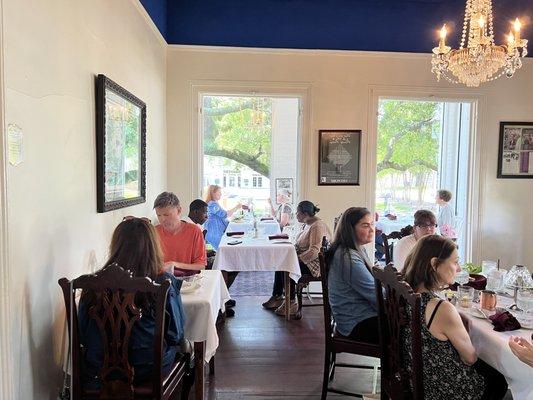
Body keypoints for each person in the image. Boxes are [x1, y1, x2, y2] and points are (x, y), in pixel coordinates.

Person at [78, 218, 186, 390]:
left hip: (98, 368)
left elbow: (82, 335)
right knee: (183, 350)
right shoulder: (163, 282)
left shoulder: (90, 284)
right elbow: (176, 333)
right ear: (153, 246)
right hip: (147, 368)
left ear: (116, 245)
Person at [402, 235, 508, 400]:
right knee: (499, 378)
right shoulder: (440, 308)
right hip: (443, 390)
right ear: (434, 264)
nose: (458, 269)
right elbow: (470, 358)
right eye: (455, 262)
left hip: (414, 378)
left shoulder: (406, 291)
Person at [262, 201, 332, 318]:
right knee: (281, 262)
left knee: (286, 265)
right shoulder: (307, 223)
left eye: (298, 213)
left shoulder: (317, 226)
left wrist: (296, 259)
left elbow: (315, 251)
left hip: (315, 264)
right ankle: (277, 296)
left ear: (305, 213)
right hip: (307, 259)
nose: (296, 214)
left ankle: (292, 302)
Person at [326, 207, 379, 343]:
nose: (372, 230)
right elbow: (376, 295)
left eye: (372, 224)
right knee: (410, 330)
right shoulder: (347, 257)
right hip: (355, 322)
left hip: (357, 316)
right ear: (350, 229)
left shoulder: (355, 249)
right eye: (365, 225)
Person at [153, 192, 206, 276]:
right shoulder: (154, 232)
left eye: (166, 215)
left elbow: (200, 266)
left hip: (188, 282)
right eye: (159, 215)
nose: (162, 219)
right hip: (161, 282)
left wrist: (175, 265)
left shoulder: (194, 231)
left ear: (179, 210)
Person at [203, 185, 241, 250]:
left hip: (217, 231)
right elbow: (224, 214)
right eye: (219, 192)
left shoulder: (214, 203)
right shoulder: (212, 204)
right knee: (223, 249)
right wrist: (236, 207)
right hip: (214, 232)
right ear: (213, 193)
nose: (221, 194)